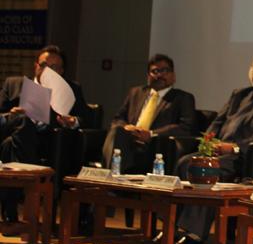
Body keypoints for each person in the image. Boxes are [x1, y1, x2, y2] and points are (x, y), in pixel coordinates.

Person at [173, 48, 253, 244]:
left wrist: (233, 147)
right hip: (218, 152)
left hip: (245, 158)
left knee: (206, 170)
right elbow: (218, 122)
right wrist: (209, 141)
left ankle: (193, 232)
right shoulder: (239, 94)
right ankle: (174, 226)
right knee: (185, 162)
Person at [0, 45, 90, 221]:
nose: (48, 71)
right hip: (19, 137)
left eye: (54, 67)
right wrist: (11, 114)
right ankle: (30, 176)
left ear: (62, 71)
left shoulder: (72, 88)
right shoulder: (13, 84)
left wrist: (72, 121)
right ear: (36, 66)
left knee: (9, 146)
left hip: (51, 143)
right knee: (21, 123)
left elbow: (87, 119)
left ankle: (11, 211)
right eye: (44, 65)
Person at [102, 54, 196, 175]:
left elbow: (185, 127)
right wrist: (126, 127)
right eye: (155, 71)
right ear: (148, 76)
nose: (159, 75)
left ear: (173, 75)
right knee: (116, 131)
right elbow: (118, 118)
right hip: (129, 138)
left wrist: (151, 134)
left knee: (118, 138)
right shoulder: (136, 92)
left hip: (154, 145)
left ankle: (110, 176)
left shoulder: (183, 98)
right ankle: (112, 176)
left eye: (164, 71)